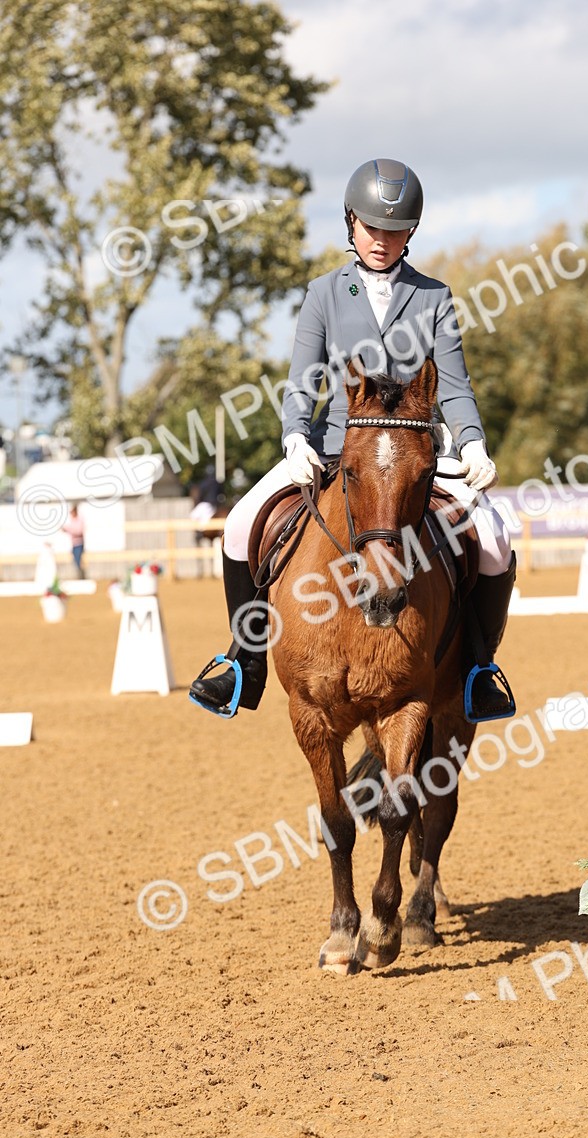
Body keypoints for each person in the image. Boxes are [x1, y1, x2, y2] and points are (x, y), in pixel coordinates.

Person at [189, 158, 516, 721]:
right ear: (350, 223)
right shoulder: (323, 293)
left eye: (393, 230)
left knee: (493, 540)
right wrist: (295, 437)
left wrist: (473, 444)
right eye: (371, 228)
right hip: (335, 445)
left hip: (412, 450)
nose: (382, 240)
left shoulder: (435, 296)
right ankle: (245, 662)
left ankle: (478, 667)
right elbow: (303, 380)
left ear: (410, 232)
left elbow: (455, 387)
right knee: (241, 524)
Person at [62, 504, 85, 579]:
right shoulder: (72, 521)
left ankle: (81, 575)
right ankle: (79, 574)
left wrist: (69, 530)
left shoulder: (79, 520)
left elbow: (78, 531)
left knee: (78, 560)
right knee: (75, 560)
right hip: (74, 544)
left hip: (79, 543)